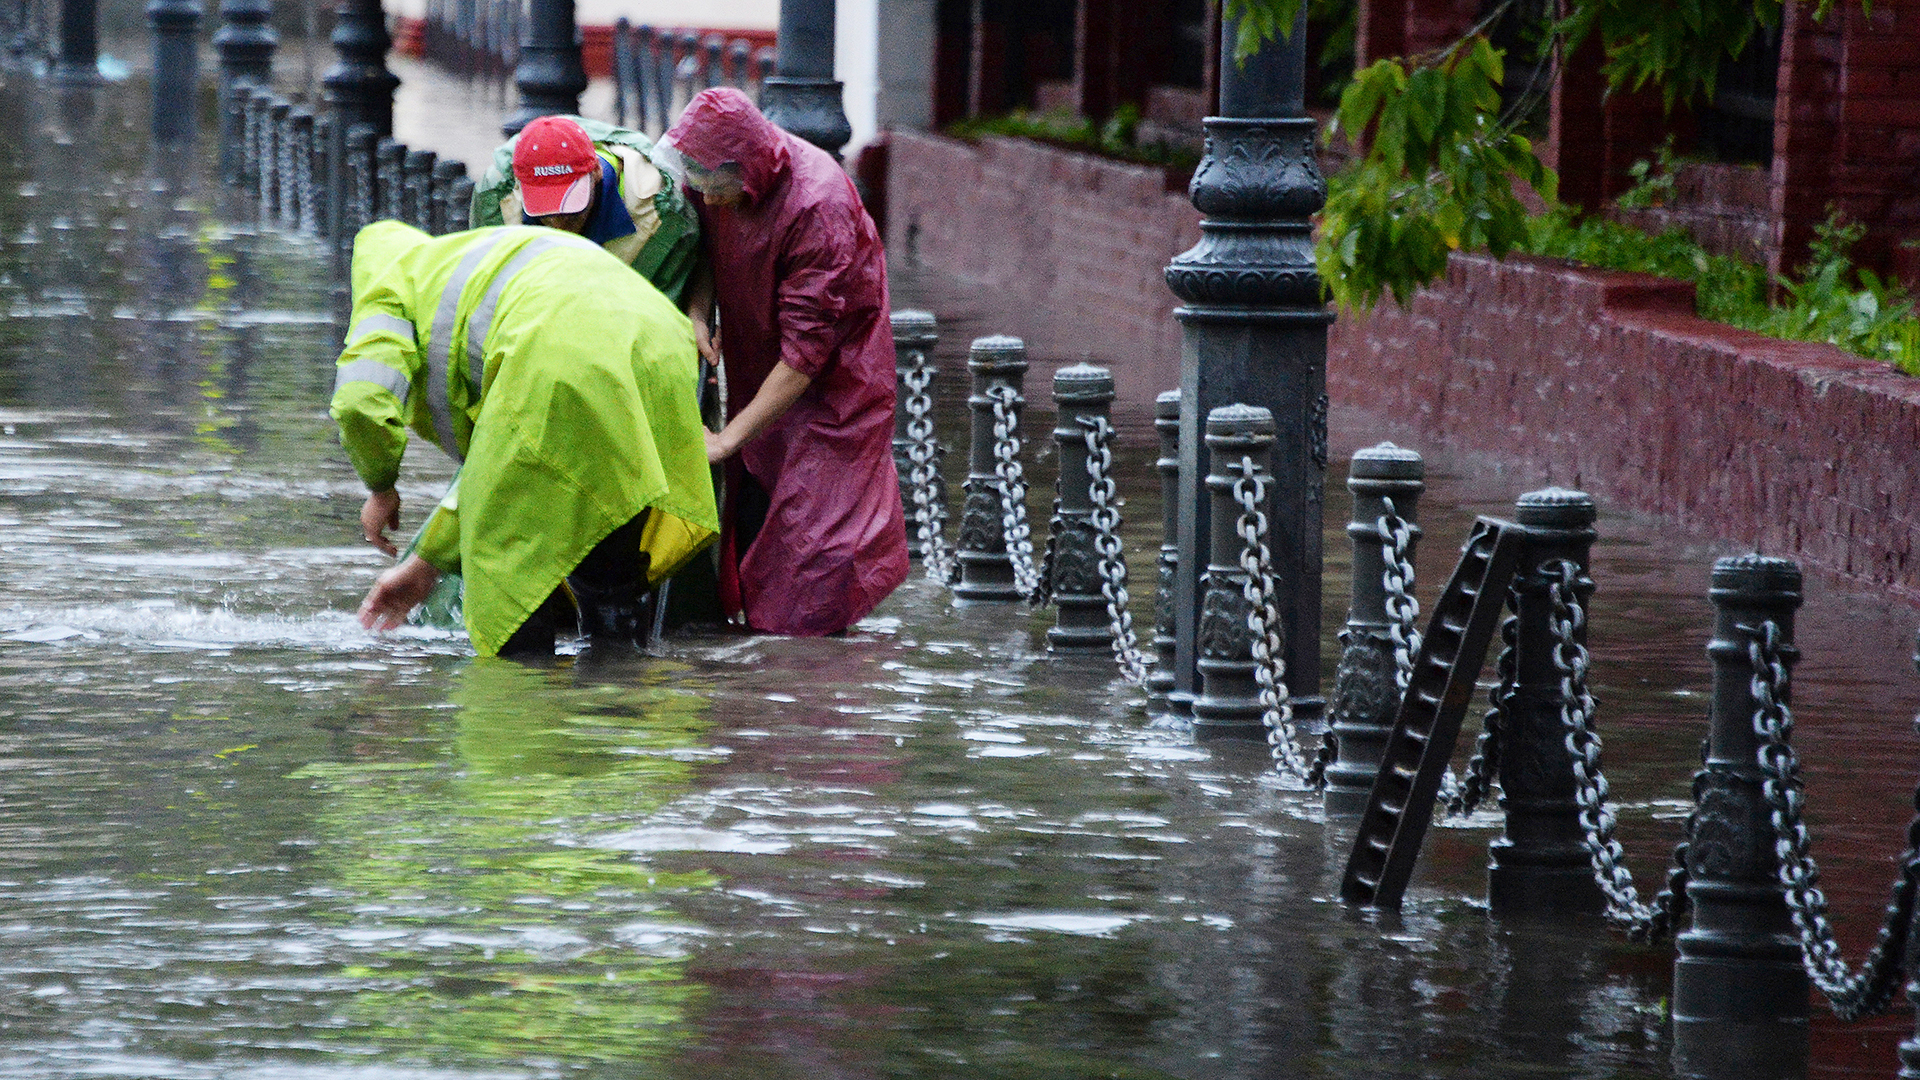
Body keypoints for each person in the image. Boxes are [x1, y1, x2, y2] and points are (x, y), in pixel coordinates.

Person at [332, 220, 718, 657]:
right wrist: (428, 564)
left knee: (508, 579)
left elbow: (359, 402)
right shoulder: (471, 259)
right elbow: (489, 472)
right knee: (611, 554)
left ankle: (522, 708)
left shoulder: (388, 290)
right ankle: (621, 699)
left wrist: (381, 486)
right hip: (659, 344)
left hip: (559, 356)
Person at [654, 87, 908, 637]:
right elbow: (707, 249)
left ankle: (810, 693)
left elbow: (804, 359)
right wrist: (699, 312)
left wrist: (724, 440)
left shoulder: (818, 206)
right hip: (759, 372)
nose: (711, 201)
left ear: (742, 169)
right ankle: (758, 685)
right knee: (756, 529)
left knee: (815, 556)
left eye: (717, 189)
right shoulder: (713, 180)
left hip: (833, 395)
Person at [470, 114, 702, 311]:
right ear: (520, 186)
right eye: (546, 213)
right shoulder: (496, 200)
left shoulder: (663, 217)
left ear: (596, 173)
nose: (558, 226)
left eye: (571, 213)